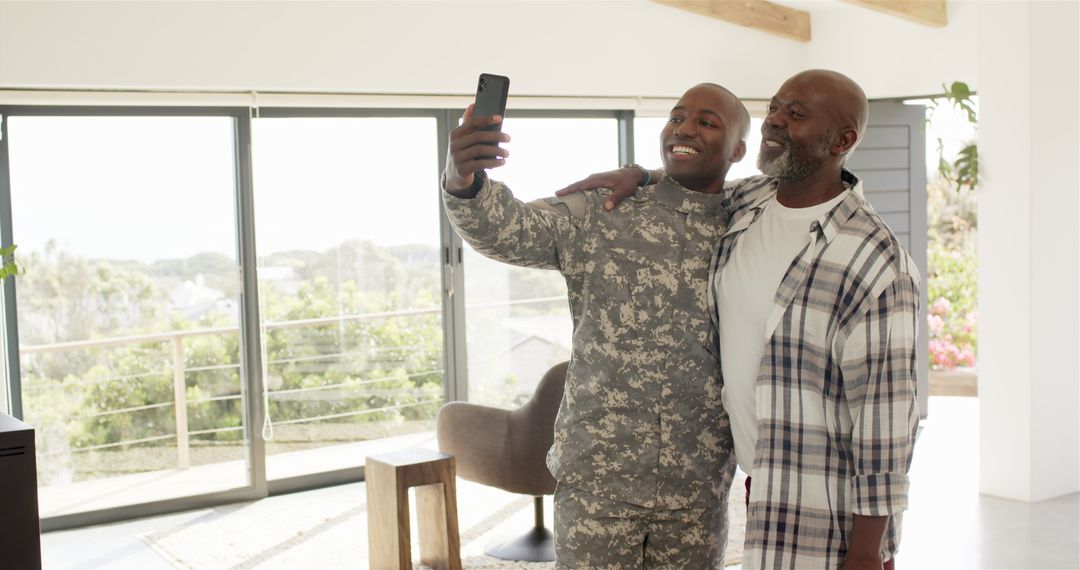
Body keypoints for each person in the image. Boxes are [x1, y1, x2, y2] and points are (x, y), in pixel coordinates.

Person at [559, 70, 920, 570]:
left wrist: (868, 551)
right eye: (774, 107)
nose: (774, 121)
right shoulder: (751, 200)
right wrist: (642, 175)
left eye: (796, 114)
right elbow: (695, 182)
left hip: (827, 501)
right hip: (760, 481)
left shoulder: (874, 260)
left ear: (844, 141)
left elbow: (888, 422)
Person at [441, 83, 749, 569]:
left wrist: (641, 172)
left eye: (706, 122)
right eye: (676, 117)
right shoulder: (607, 209)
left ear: (738, 150)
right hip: (600, 484)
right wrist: (464, 178)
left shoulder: (748, 222)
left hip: (697, 484)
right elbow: (506, 230)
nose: (684, 128)